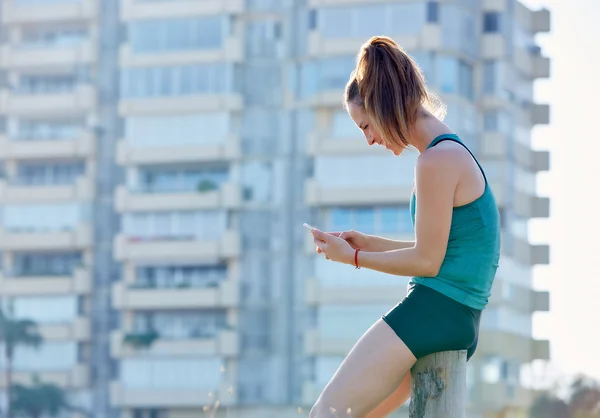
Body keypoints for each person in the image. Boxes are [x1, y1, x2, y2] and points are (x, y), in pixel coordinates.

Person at [309, 35, 501, 418]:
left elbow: (428, 262)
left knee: (325, 414)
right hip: (458, 317)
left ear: (383, 106)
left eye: (365, 125)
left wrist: (355, 258)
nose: (368, 140)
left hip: (435, 311)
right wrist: (368, 243)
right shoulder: (449, 150)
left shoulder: (436, 160)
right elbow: (442, 249)